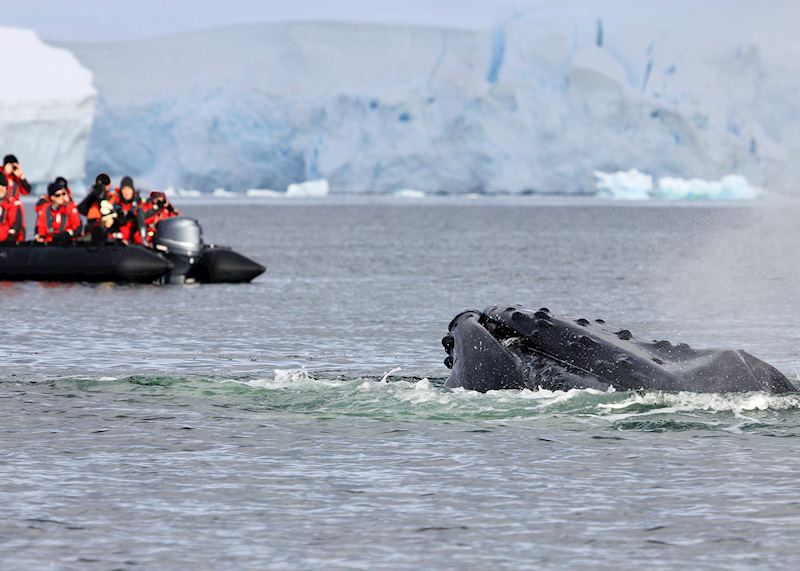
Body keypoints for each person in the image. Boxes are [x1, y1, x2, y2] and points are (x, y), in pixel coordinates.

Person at [78, 173, 114, 242]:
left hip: (107, 233)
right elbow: (81, 209)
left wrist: (102, 199)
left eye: (104, 186)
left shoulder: (113, 197)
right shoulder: (92, 199)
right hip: (92, 232)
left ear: (109, 186)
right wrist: (92, 196)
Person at [3, 154, 31, 241]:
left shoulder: (17, 179)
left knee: (19, 236)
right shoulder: (1, 176)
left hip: (16, 214)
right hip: (4, 214)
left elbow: (27, 191)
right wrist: (5, 173)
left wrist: (21, 176)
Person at [0, 172, 22, 245]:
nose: (1, 189)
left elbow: (16, 223)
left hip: (6, 242)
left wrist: (10, 235)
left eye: (4, 187)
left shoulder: (11, 203)